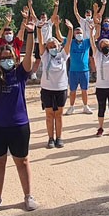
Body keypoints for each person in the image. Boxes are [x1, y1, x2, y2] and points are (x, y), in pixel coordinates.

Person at [0, 16, 39, 212]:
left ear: (15, 58)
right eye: (2, 58)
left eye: (9, 57)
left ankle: (28, 196)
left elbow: (29, 54)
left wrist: (30, 32)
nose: (6, 60)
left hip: (19, 124)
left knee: (23, 161)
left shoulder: (21, 72)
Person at [37, 15, 71, 148]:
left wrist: (70, 30)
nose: (52, 48)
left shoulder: (63, 55)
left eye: (55, 46)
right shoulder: (45, 56)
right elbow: (40, 41)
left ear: (58, 46)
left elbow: (68, 43)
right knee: (49, 114)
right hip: (47, 89)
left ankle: (59, 138)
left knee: (59, 114)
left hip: (61, 89)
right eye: (50, 46)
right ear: (46, 48)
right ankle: (50, 138)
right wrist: (39, 29)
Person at [90, 21, 109, 137]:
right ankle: (100, 128)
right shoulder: (97, 55)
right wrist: (92, 32)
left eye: (107, 44)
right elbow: (93, 43)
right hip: (101, 86)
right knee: (101, 107)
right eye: (103, 44)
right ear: (100, 46)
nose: (105, 45)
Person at [65, 13, 93, 115]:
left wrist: (94, 28)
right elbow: (59, 37)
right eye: (76, 33)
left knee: (84, 90)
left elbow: (97, 36)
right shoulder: (71, 42)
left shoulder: (87, 42)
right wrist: (58, 26)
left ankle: (85, 106)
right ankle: (72, 107)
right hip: (73, 71)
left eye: (80, 32)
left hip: (84, 71)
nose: (79, 34)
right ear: (74, 34)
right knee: (72, 90)